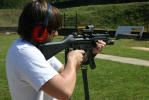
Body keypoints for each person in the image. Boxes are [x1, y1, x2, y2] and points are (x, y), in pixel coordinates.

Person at [6, 0, 106, 100]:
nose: (57, 34)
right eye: (54, 29)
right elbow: (64, 92)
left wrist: (90, 53)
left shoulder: (34, 48)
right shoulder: (25, 52)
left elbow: (63, 71)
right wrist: (72, 59)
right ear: (40, 31)